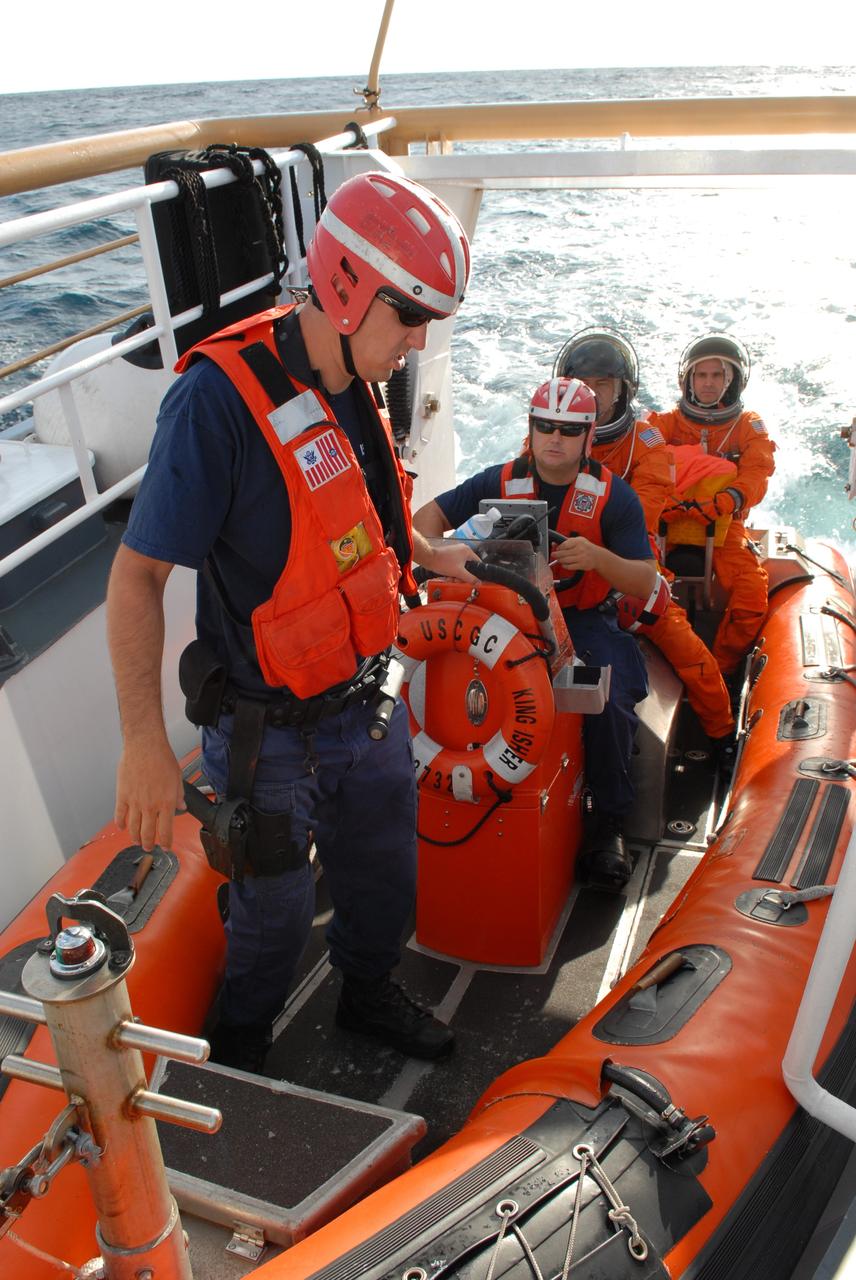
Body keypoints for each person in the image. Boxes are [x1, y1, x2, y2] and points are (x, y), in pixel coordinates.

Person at [106, 170, 475, 1073]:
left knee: (385, 876)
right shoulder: (214, 403)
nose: (419, 339)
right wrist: (144, 745)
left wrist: (432, 559)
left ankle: (365, 992)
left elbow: (359, 522)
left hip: (366, 703)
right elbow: (136, 578)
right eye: (410, 313)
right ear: (347, 284)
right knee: (268, 921)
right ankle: (242, 1042)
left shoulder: (358, 372)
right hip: (266, 737)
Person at [413, 376, 658, 890]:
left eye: (569, 430)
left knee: (610, 702)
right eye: (545, 426)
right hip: (505, 616)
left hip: (583, 619)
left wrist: (596, 559)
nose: (555, 438)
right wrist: (448, 556)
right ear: (531, 428)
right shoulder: (495, 481)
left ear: (589, 437)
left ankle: (607, 825)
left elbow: (644, 578)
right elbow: (425, 520)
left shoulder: (616, 499)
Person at [555, 328, 735, 747]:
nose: (595, 396)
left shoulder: (647, 444)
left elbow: (637, 516)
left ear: (623, 391)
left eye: (604, 385)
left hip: (629, 577)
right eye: (585, 386)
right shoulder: (550, 435)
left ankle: (721, 736)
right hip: (562, 575)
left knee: (689, 652)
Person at [648, 334, 776, 677]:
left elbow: (759, 470)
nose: (708, 383)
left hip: (724, 523)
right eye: (701, 375)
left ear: (732, 379)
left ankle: (720, 670)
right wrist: (666, 502)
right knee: (645, 584)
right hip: (665, 521)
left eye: (716, 376)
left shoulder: (748, 426)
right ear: (688, 379)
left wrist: (728, 499)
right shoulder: (663, 424)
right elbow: (640, 469)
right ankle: (659, 663)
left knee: (751, 595)